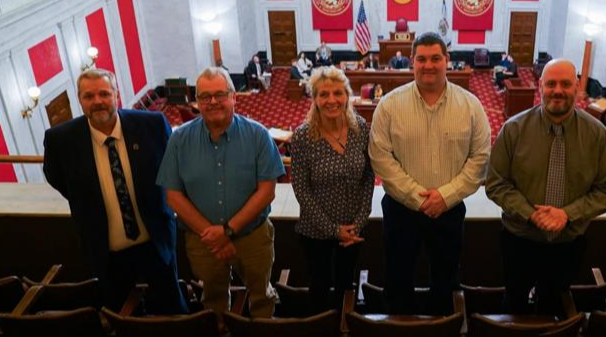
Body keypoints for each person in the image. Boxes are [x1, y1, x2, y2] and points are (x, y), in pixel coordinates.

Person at [43, 68, 188, 315]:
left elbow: (173, 167)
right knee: (121, 313)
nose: (97, 101)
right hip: (106, 249)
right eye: (89, 96)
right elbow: (57, 179)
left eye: (104, 94)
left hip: (155, 239)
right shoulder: (60, 140)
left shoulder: (151, 125)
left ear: (116, 95)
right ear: (80, 100)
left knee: (172, 305)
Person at [485, 59, 606, 317]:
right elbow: (495, 184)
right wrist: (532, 213)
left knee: (552, 308)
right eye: (551, 84)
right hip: (519, 240)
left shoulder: (597, 135)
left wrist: (566, 214)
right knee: (513, 305)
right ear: (540, 86)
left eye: (566, 84)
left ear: (578, 87)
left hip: (567, 244)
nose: (558, 90)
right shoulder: (513, 130)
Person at [369, 32, 491, 315]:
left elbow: (480, 158)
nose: (429, 65)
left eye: (436, 58)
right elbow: (380, 157)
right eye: (422, 59)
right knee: (398, 280)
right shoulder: (389, 104)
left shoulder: (471, 106)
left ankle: (441, 328)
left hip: (448, 211)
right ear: (412, 62)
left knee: (445, 282)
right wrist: (418, 198)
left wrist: (445, 197)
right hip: (401, 210)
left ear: (447, 61)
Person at [157, 67, 285, 322]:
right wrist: (214, 236)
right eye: (205, 96)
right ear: (196, 101)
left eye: (220, 94)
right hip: (203, 241)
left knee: (261, 295)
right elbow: (173, 196)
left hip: (253, 237)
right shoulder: (179, 139)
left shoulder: (258, 134)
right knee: (213, 298)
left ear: (234, 96)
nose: (213, 101)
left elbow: (267, 192)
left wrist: (226, 231)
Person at [290, 66, 374, 314]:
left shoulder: (360, 128)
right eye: (324, 94)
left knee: (345, 288)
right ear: (314, 99)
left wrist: (358, 222)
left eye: (338, 93)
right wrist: (334, 230)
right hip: (316, 232)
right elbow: (301, 190)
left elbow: (369, 177)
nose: (332, 100)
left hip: (353, 231)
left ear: (347, 95)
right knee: (319, 287)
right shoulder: (303, 137)